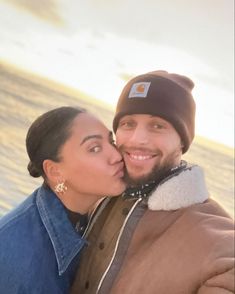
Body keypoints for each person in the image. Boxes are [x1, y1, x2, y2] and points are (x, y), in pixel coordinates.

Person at [71, 71, 235, 294]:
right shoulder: (99, 194)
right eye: (128, 124)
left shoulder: (212, 233)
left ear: (182, 141)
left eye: (157, 126)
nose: (137, 139)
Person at [0, 106, 126, 294]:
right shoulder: (23, 261)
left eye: (111, 141)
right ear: (55, 171)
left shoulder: (87, 213)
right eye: (95, 148)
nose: (117, 156)